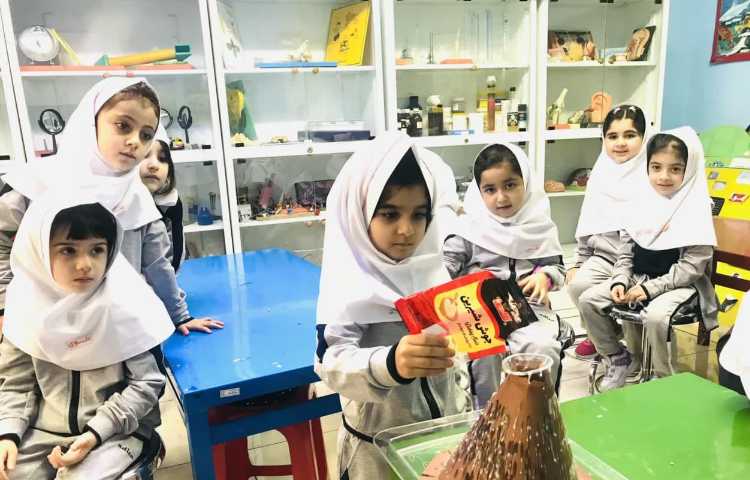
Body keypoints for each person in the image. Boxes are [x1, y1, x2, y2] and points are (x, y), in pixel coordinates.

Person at [0, 77, 221, 336]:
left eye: (146, 135)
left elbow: (157, 265)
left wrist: (180, 316)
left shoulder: (137, 198)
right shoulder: (36, 183)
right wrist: (4, 308)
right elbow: (2, 246)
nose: (135, 141)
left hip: (118, 329)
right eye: (123, 126)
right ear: (91, 123)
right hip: (45, 327)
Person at [315, 132, 468, 479]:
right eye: (389, 214)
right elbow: (330, 363)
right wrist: (390, 364)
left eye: (419, 215)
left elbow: (455, 350)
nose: (406, 230)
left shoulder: (432, 271)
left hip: (442, 441)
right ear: (360, 213)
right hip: (375, 454)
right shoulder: (348, 284)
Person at [0, 193, 174, 479]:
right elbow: (15, 386)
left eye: (96, 250)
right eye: (68, 250)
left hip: (117, 431)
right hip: (43, 432)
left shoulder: (126, 304)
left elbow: (147, 384)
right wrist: (8, 433)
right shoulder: (24, 308)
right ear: (39, 250)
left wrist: (95, 433)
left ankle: (143, 449)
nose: (85, 264)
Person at [578, 127, 717, 391]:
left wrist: (649, 289)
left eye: (675, 169)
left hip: (681, 285)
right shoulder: (640, 201)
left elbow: (691, 268)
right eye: (656, 167)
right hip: (637, 278)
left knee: (655, 315)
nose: (663, 176)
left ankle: (661, 378)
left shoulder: (696, 207)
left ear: (689, 169)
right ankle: (617, 357)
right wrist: (620, 280)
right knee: (588, 300)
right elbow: (626, 251)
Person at [443, 143, 563, 407]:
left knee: (543, 349)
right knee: (484, 354)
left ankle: (537, 412)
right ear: (478, 192)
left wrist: (545, 276)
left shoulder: (539, 226)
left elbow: (557, 267)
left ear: (526, 183)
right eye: (490, 189)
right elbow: (444, 269)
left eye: (510, 185)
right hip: (477, 310)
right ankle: (488, 414)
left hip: (525, 307)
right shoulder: (468, 228)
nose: (501, 198)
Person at [567, 105, 651, 364]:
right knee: (577, 285)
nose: (620, 143)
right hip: (604, 256)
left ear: (644, 137)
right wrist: (579, 262)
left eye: (630, 135)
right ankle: (605, 337)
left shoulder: (652, 173)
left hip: (637, 261)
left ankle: (622, 347)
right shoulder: (602, 172)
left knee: (625, 297)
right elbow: (588, 220)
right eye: (612, 136)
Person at [140, 138, 184, 272]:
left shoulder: (171, 203)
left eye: (162, 158)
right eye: (144, 154)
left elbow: (174, 257)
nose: (154, 165)